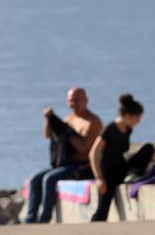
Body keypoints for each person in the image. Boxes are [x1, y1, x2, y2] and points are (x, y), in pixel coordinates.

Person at [24, 87, 103, 223]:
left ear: (86, 100)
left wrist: (66, 133)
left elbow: (83, 148)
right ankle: (30, 218)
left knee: (49, 179)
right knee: (34, 179)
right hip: (65, 164)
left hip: (82, 167)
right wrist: (49, 119)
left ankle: (45, 218)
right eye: (71, 101)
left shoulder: (93, 122)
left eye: (77, 100)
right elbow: (48, 135)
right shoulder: (69, 119)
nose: (73, 104)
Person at [88, 94, 154, 222]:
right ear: (128, 116)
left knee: (148, 148)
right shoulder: (110, 129)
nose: (138, 121)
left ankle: (134, 175)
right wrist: (99, 178)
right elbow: (93, 153)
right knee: (102, 210)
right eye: (137, 118)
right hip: (108, 173)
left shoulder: (128, 129)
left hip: (121, 168)